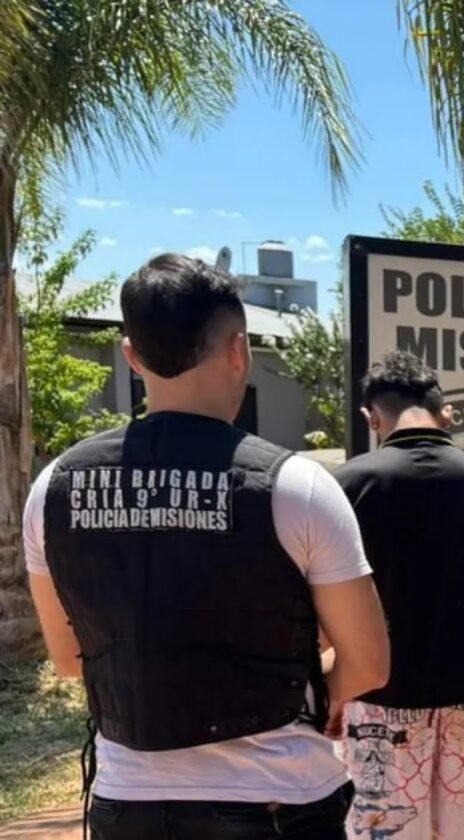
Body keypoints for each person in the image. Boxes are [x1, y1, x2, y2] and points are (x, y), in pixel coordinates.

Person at [24, 254, 390, 840]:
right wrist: (304, 688)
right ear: (239, 350)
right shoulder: (295, 486)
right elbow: (368, 660)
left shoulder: (54, 488)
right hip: (276, 801)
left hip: (128, 805)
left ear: (132, 356)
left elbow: (70, 660)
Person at [333, 350, 464, 840]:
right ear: (445, 412)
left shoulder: (349, 486)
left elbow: (332, 606)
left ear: (372, 417)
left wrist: (334, 690)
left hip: (378, 700)